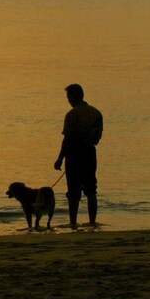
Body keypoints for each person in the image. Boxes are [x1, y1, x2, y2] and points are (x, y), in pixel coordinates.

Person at [54, 84, 103, 229]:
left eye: (68, 97)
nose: (68, 100)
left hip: (74, 154)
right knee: (91, 189)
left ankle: (73, 222)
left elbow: (67, 139)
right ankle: (92, 221)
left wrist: (60, 158)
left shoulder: (72, 115)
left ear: (73, 97)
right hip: (89, 152)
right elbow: (98, 137)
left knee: (73, 190)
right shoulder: (96, 113)